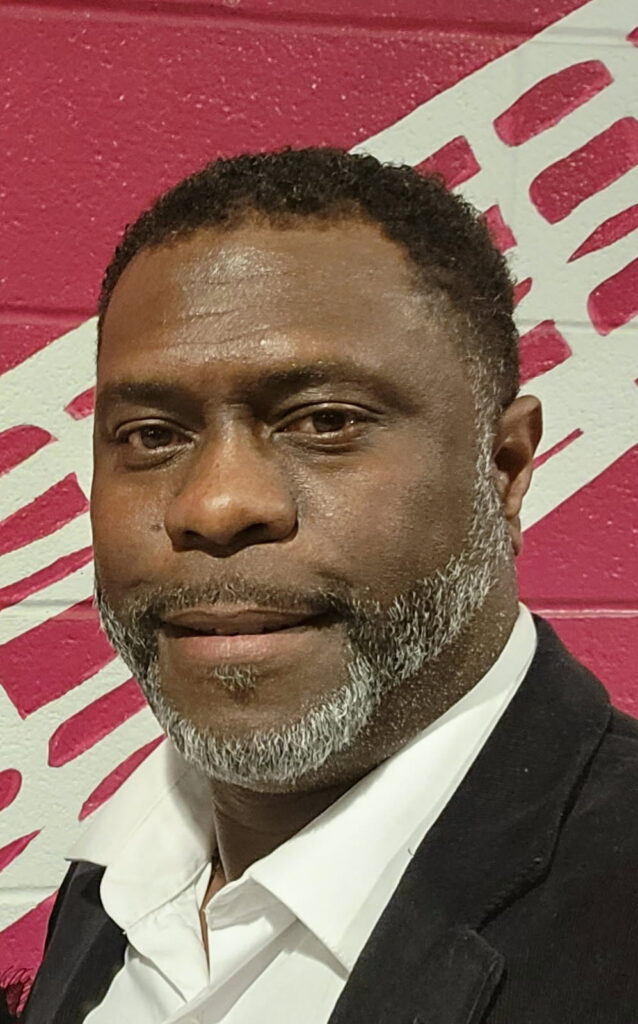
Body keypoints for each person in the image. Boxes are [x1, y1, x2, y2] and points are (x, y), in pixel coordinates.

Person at [22, 148, 638, 1024]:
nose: (215, 505)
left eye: (324, 421)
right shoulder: (115, 873)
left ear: (502, 468)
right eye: (153, 435)